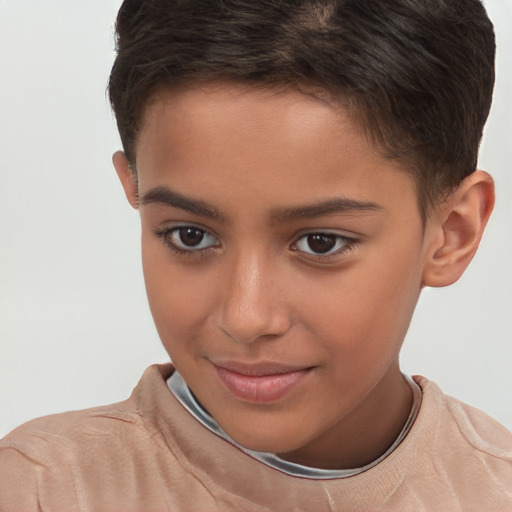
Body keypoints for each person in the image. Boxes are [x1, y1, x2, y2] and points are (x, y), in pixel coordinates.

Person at [0, 0, 510, 510]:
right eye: (190, 236)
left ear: (452, 232)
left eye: (321, 243)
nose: (246, 318)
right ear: (135, 190)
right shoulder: (39, 490)